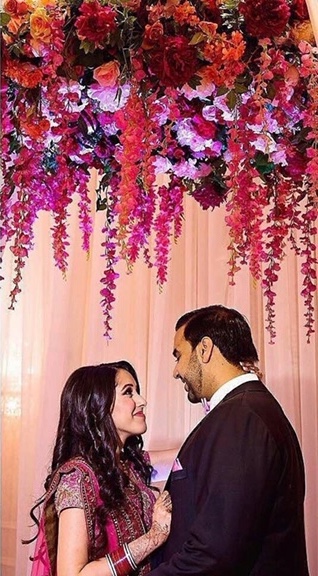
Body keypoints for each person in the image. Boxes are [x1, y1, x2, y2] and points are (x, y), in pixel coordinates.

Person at [150, 305, 309, 576]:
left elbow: (215, 554)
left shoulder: (242, 418)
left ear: (204, 349)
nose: (176, 371)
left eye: (179, 355)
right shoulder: (247, 410)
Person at [23, 360, 172, 576]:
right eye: (129, 392)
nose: (142, 401)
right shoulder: (77, 477)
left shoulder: (130, 465)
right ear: (97, 407)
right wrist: (154, 537)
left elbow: (188, 453)